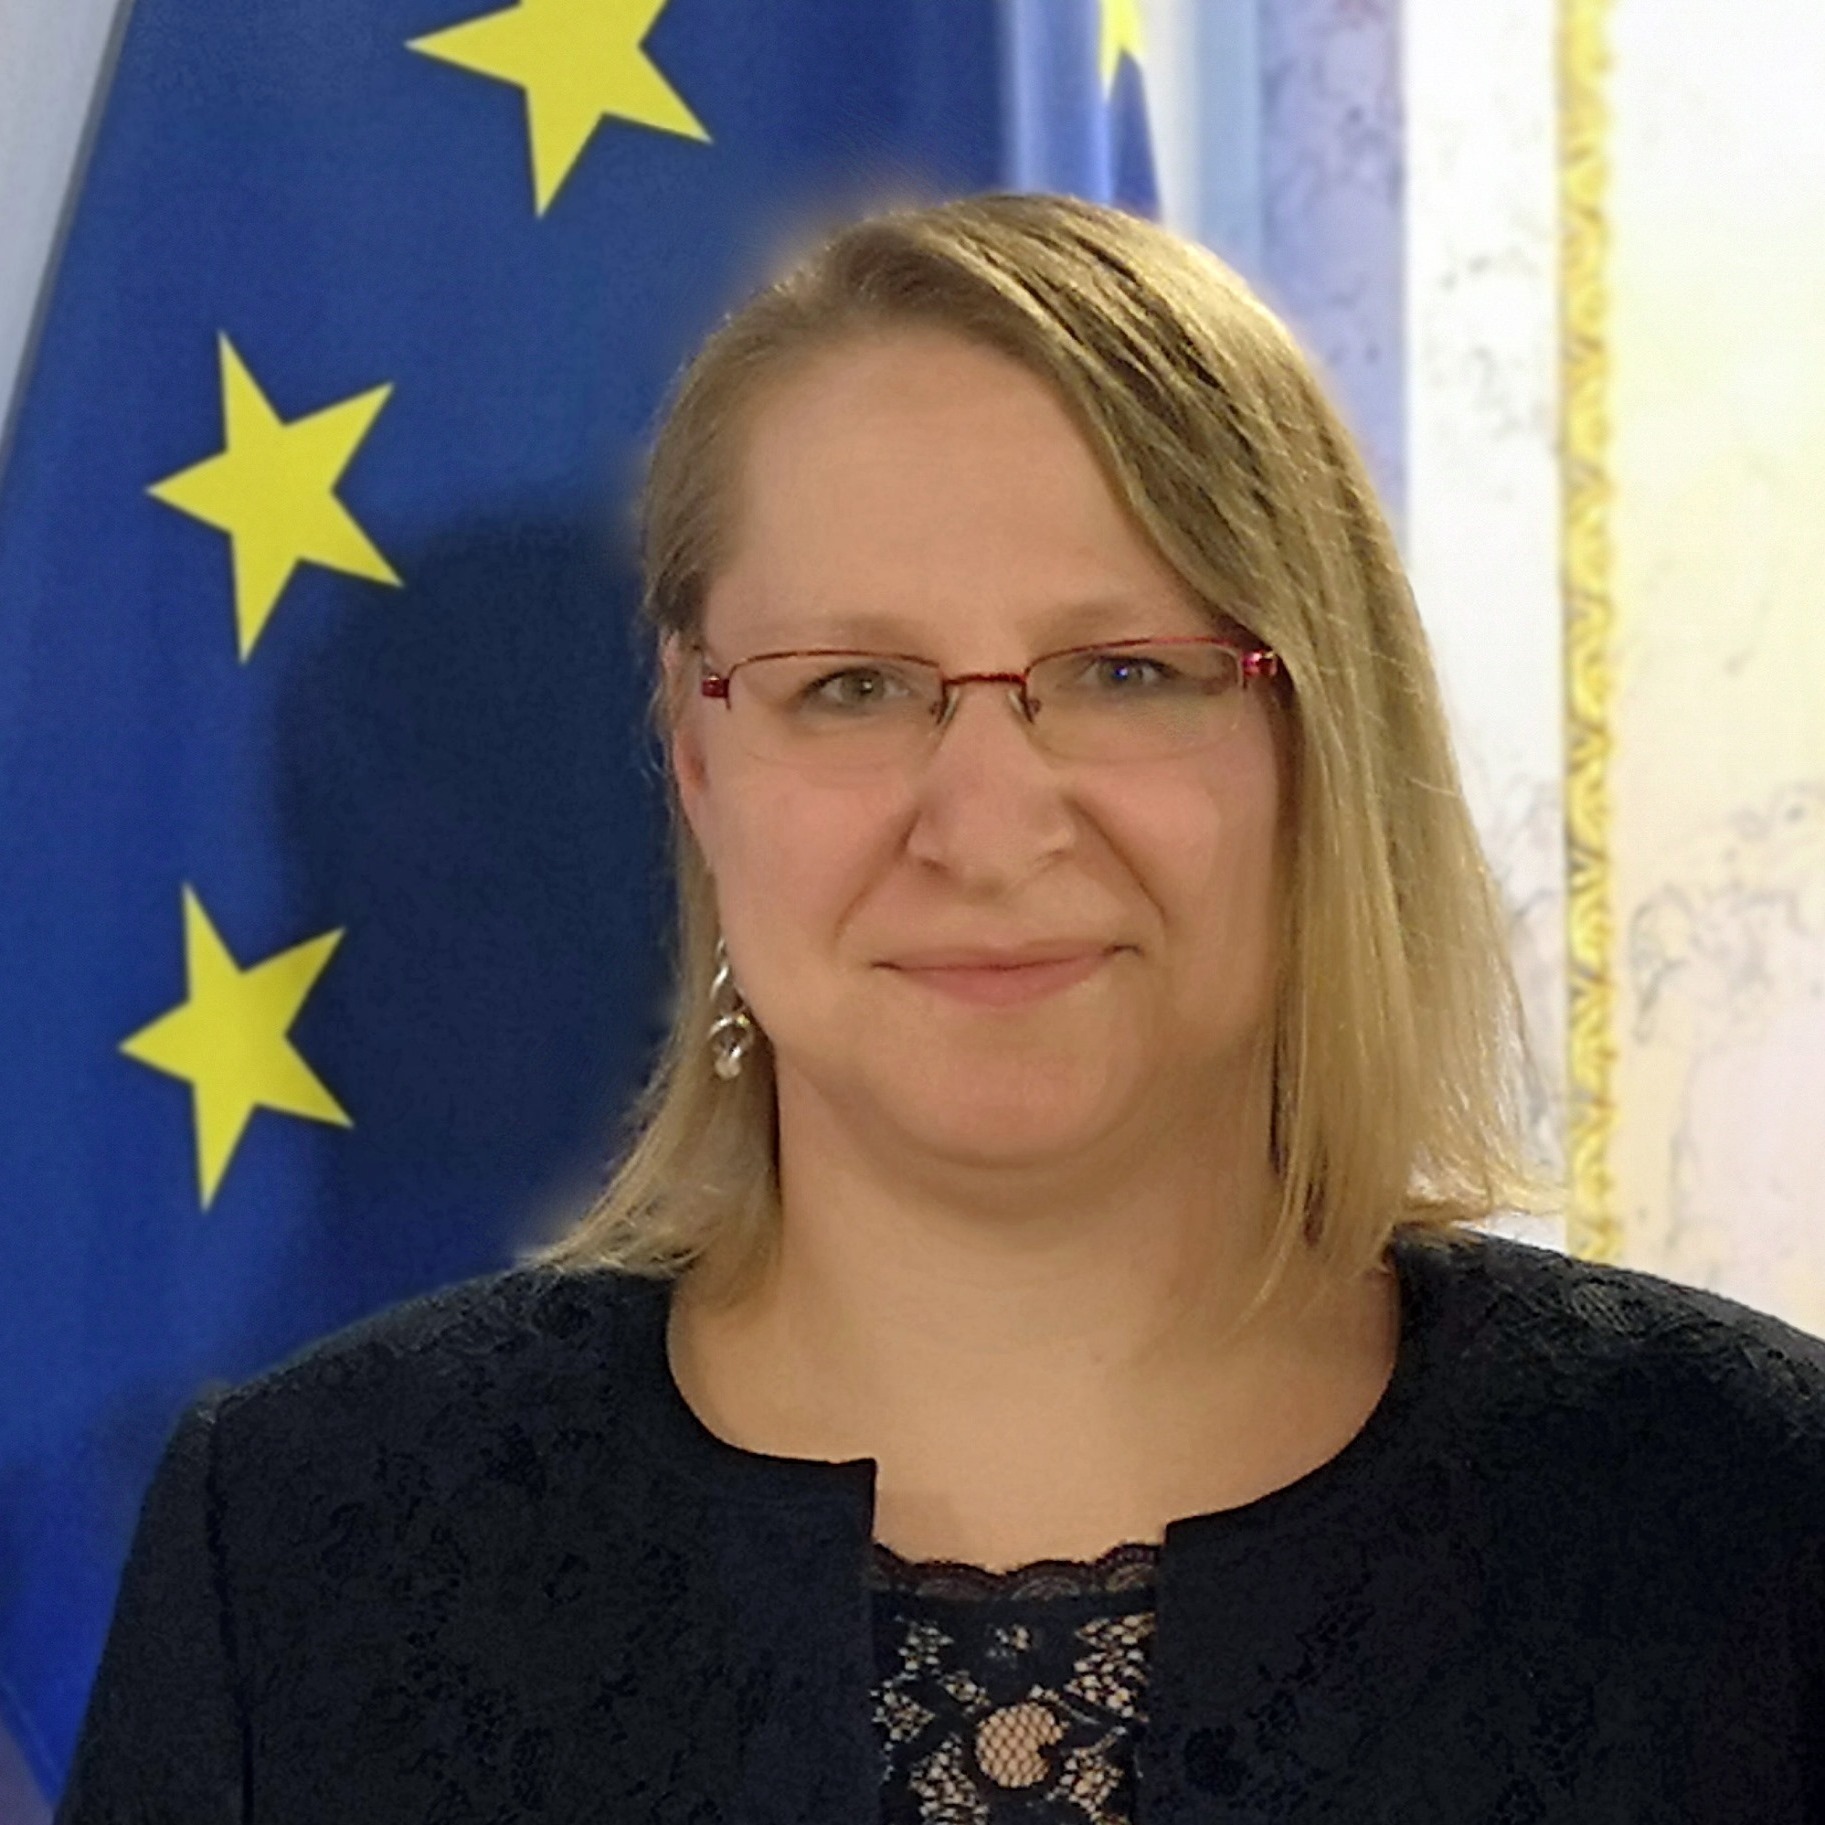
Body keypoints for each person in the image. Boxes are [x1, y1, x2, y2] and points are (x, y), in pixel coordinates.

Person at [57, 193, 1825, 1823]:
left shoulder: (1750, 1517)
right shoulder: (296, 1541)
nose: (983, 826)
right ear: (696, 756)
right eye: (851, 685)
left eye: (1126, 670)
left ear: (1323, 740)